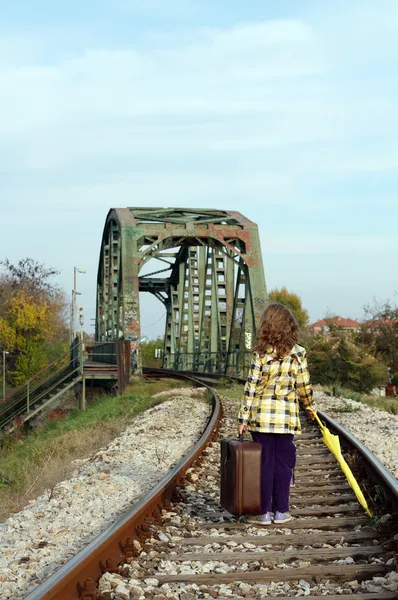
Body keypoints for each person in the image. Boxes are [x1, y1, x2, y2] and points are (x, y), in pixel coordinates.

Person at [237, 302, 315, 525]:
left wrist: (242, 419)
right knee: (283, 464)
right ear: (289, 326)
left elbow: (250, 388)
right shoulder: (299, 354)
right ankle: (281, 511)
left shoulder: (260, 354)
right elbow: (304, 386)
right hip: (286, 420)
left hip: (260, 419)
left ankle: (263, 513)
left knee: (263, 464)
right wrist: (309, 406)